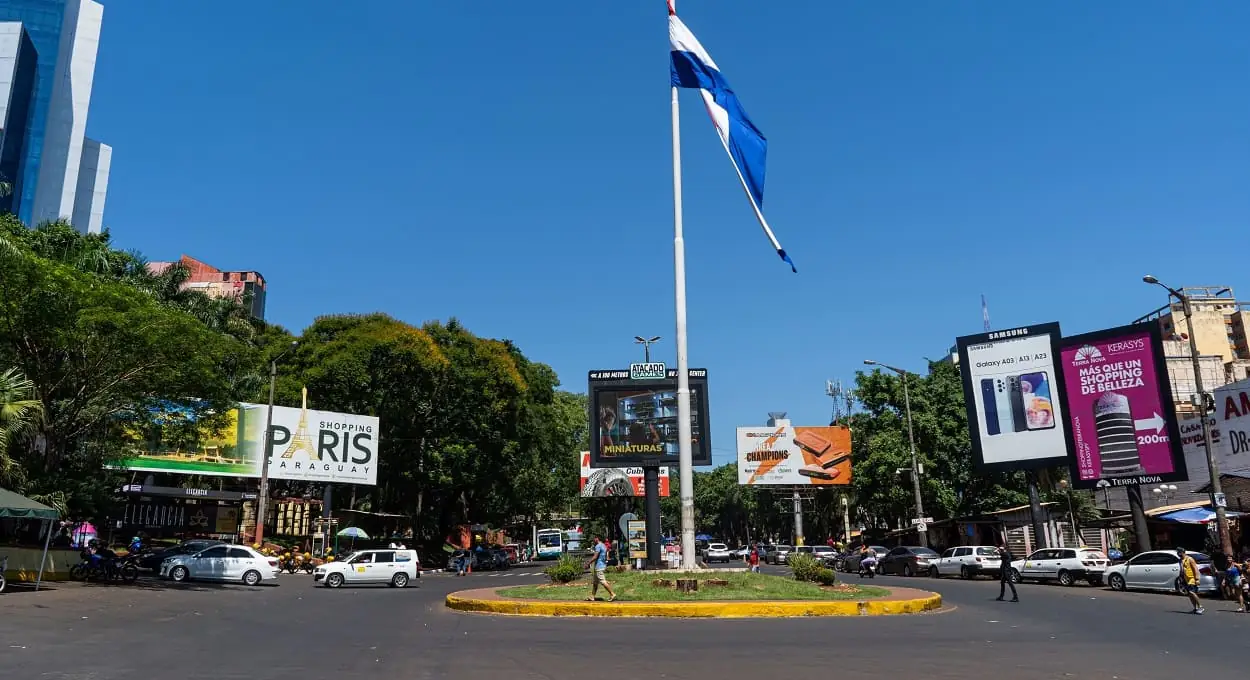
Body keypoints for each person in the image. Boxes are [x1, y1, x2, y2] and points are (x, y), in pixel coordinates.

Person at [585, 536, 616, 602]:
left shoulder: (598, 546)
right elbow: (605, 556)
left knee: (602, 581)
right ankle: (592, 596)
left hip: (599, 566)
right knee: (595, 582)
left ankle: (612, 594)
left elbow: (595, 556)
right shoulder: (604, 545)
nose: (593, 540)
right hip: (601, 565)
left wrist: (588, 563)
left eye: (594, 539)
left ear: (597, 538)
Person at [1178, 547, 1204, 614]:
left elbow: (1195, 569)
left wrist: (1197, 579)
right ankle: (1195, 608)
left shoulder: (1190, 559)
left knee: (1192, 592)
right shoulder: (1180, 560)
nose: (1178, 554)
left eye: (1179, 552)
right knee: (1189, 594)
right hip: (1185, 579)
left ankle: (1200, 606)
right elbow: (1181, 569)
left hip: (1192, 578)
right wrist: (1180, 578)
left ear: (1183, 552)